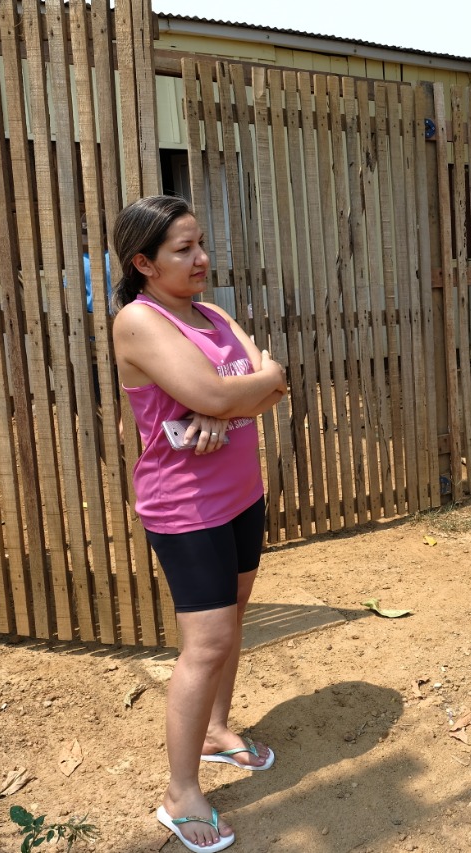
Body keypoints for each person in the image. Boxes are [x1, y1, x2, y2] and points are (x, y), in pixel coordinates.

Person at [111, 195, 288, 852]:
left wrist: (238, 400)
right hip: (186, 508)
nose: (201, 258)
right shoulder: (139, 321)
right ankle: (179, 790)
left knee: (234, 620)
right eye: (183, 249)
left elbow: (278, 384)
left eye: (201, 243)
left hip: (241, 493)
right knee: (206, 643)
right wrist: (243, 393)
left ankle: (216, 730)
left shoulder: (211, 314)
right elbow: (236, 388)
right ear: (143, 262)